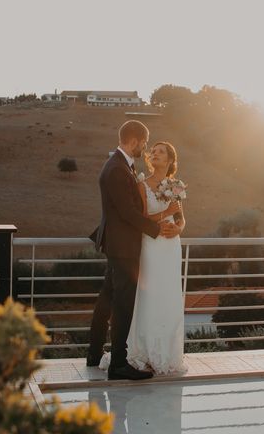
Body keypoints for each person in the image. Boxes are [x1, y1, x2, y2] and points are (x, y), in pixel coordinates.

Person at [87, 120, 180, 381]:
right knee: (123, 305)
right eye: (145, 142)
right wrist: (157, 228)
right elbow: (128, 212)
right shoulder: (117, 169)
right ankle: (118, 364)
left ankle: (94, 354)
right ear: (135, 140)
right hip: (123, 246)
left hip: (118, 244)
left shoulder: (120, 165)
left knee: (106, 299)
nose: (146, 148)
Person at [126, 141, 187, 374]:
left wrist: (179, 228)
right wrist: (166, 213)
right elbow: (140, 219)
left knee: (168, 295)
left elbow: (181, 219)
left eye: (161, 152)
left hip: (171, 247)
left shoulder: (176, 185)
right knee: (149, 295)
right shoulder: (142, 185)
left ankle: (167, 352)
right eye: (154, 151)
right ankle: (145, 350)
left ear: (170, 160)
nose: (155, 154)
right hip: (151, 246)